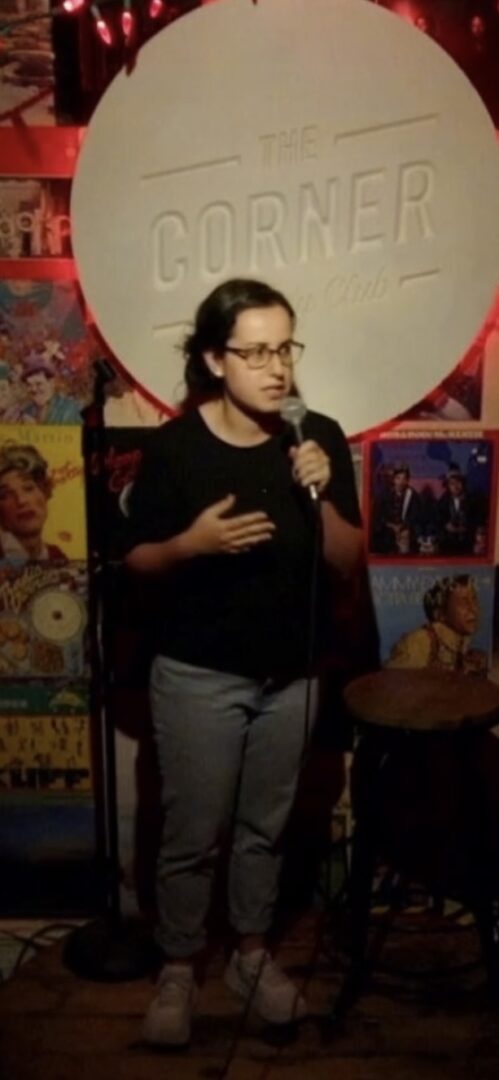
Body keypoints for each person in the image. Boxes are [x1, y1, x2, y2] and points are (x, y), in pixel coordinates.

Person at [124, 278, 362, 1046]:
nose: (275, 367)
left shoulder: (315, 435)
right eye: (254, 351)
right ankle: (179, 967)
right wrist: (190, 545)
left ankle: (250, 957)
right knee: (192, 834)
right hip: (198, 676)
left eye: (284, 348)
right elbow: (136, 562)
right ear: (212, 359)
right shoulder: (174, 449)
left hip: (292, 677)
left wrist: (321, 496)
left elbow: (347, 560)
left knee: (264, 829)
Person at [386, 574, 487, 674]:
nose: (473, 608)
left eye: (474, 599)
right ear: (440, 613)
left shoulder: (463, 646)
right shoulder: (419, 643)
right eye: (463, 602)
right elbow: (391, 679)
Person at [0, 442, 67, 561]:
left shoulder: (57, 557)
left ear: (45, 491)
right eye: (5, 495)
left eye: (28, 488)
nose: (21, 501)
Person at [371, 462, 422, 555]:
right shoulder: (384, 495)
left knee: (407, 538)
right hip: (387, 530)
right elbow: (378, 516)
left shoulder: (412, 495)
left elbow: (415, 516)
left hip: (405, 530)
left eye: (404, 479)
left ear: (407, 480)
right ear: (394, 479)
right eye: (398, 478)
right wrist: (391, 526)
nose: (401, 482)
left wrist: (404, 527)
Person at [20, 354, 82, 424]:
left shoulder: (70, 408)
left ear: (51, 383)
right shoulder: (27, 411)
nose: (33, 389)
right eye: (29, 385)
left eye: (38, 384)